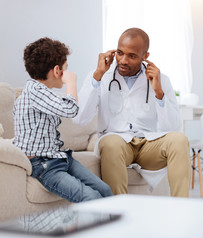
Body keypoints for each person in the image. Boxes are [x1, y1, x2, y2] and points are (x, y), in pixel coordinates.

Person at [74, 28, 191, 197]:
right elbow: (80, 118)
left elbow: (172, 127)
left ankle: (181, 209)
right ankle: (117, 213)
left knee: (179, 140)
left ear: (145, 56)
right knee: (111, 143)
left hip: (148, 145)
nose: (123, 60)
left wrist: (159, 93)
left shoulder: (161, 79)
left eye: (132, 56)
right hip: (117, 141)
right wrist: (98, 76)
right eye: (120, 53)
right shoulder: (102, 76)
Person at [13, 37, 113, 202]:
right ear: (57, 70)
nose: (68, 72)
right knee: (91, 197)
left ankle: (117, 226)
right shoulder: (35, 92)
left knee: (105, 189)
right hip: (44, 165)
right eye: (67, 68)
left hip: (60, 158)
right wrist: (71, 82)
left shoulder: (41, 92)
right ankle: (100, 226)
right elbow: (71, 109)